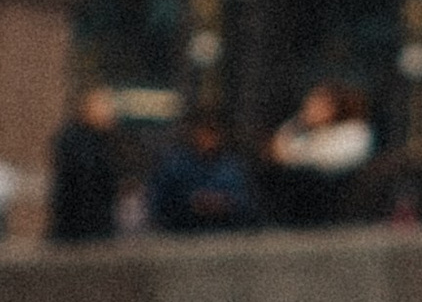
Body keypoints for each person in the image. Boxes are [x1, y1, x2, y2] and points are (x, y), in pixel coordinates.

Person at [264, 81, 374, 224]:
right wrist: (298, 122)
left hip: (337, 186)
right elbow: (279, 152)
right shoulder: (306, 132)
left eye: (319, 106)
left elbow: (335, 161)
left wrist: (301, 156)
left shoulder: (354, 130)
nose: (311, 110)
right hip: (304, 183)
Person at [143, 112, 258, 235]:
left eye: (212, 133)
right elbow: (159, 204)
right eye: (203, 133)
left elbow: (248, 204)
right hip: (182, 238)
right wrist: (191, 203)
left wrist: (225, 203)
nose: (208, 139)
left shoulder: (232, 167)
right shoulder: (175, 166)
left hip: (226, 237)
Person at [47, 87, 123, 245]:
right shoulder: (74, 141)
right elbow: (81, 185)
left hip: (98, 229)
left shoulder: (105, 142)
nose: (110, 112)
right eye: (103, 106)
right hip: (77, 232)